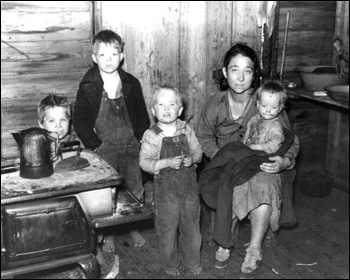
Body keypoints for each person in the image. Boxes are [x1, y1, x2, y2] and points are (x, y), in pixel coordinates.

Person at [197, 43, 299, 278]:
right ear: (225, 73)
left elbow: (291, 141)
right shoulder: (215, 103)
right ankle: (226, 237)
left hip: (262, 163)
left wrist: (285, 162)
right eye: (234, 70)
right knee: (230, 182)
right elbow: (203, 136)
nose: (241, 77)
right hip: (228, 164)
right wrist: (222, 158)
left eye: (248, 70)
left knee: (265, 181)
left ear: (255, 74)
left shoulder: (267, 100)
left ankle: (254, 248)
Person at [73, 29, 150, 250]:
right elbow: (80, 120)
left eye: (114, 54)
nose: (109, 60)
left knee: (134, 187)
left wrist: (141, 139)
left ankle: (133, 226)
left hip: (131, 145)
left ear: (121, 56)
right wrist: (95, 145)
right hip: (105, 147)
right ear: (94, 58)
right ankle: (109, 234)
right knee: (107, 192)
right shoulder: (88, 85)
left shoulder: (131, 83)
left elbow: (141, 115)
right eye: (103, 55)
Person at [139, 86, 203, 276]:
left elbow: (199, 151)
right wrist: (165, 162)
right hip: (166, 193)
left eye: (172, 104)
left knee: (192, 226)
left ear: (180, 110)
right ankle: (169, 263)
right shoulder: (151, 135)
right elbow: (144, 163)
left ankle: (192, 260)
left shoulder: (186, 130)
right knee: (167, 229)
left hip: (190, 190)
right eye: (161, 104)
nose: (166, 109)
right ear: (153, 111)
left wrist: (194, 158)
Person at [243, 80, 287, 154]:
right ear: (258, 104)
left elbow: (276, 144)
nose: (268, 110)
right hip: (249, 150)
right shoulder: (254, 118)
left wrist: (256, 147)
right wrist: (244, 143)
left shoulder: (275, 126)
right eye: (264, 106)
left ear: (279, 108)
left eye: (273, 107)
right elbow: (248, 131)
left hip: (265, 155)